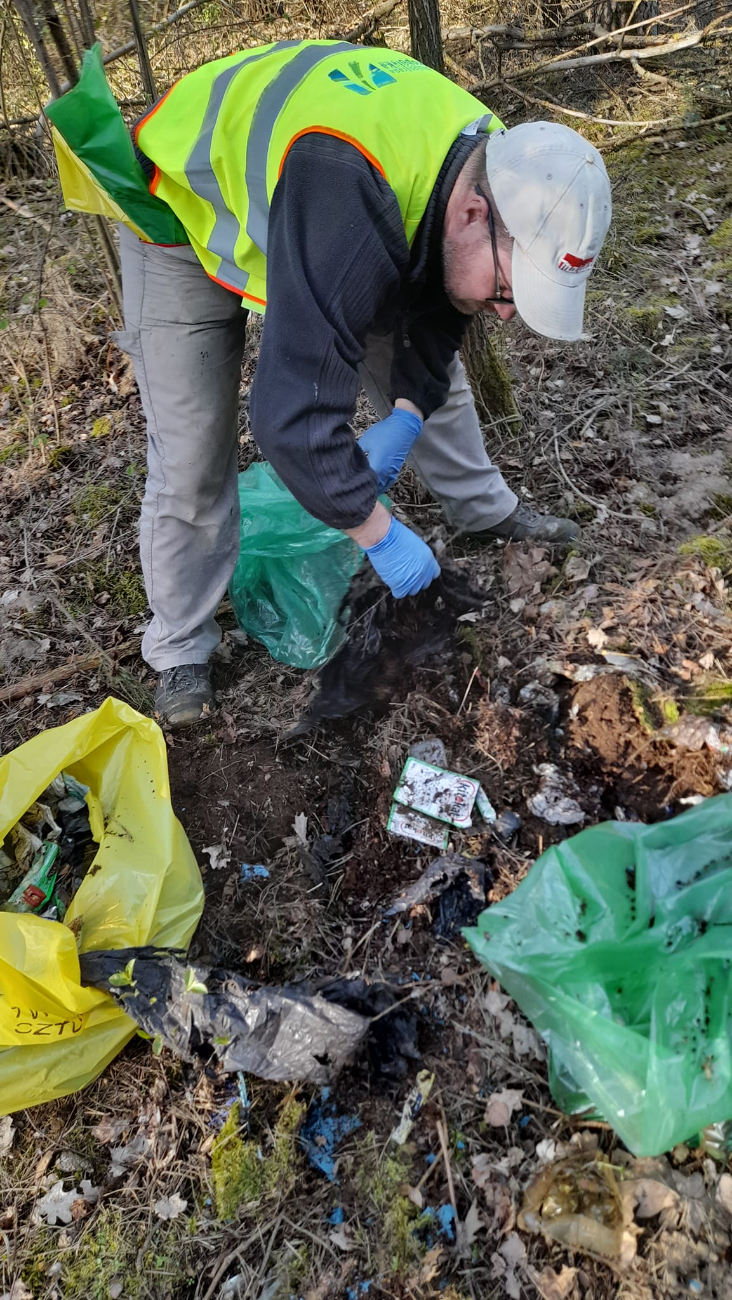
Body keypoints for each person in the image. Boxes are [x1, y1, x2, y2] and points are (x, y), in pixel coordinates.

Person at [112, 39, 612, 726]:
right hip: (179, 204)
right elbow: (290, 418)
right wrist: (380, 535)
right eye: (508, 289)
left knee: (440, 355)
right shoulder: (346, 187)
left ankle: (483, 507)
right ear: (472, 216)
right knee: (193, 446)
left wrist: (407, 414)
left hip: (335, 201)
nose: (505, 311)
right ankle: (179, 647)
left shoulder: (506, 166)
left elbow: (441, 313)